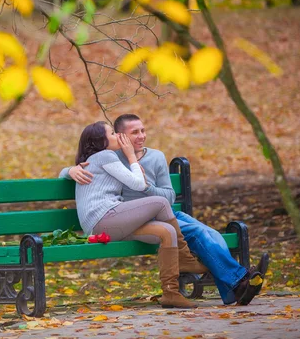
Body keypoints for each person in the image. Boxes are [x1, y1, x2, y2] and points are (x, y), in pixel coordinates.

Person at [60, 114, 269, 305]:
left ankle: (234, 289)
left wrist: (149, 188)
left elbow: (168, 196)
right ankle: (238, 281)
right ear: (121, 136)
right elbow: (90, 167)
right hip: (127, 217)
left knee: (210, 233)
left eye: (143, 130)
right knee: (196, 233)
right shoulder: (113, 156)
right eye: (134, 132)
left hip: (162, 214)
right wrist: (70, 170)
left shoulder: (156, 157)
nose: (141, 136)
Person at [72, 121, 197, 308]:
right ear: (101, 141)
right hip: (103, 219)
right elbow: (139, 184)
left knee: (167, 232)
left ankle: (171, 293)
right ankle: (185, 257)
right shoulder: (105, 156)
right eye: (113, 133)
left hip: (109, 223)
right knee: (160, 202)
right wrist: (132, 157)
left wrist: (68, 170)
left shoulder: (97, 159)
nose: (118, 136)